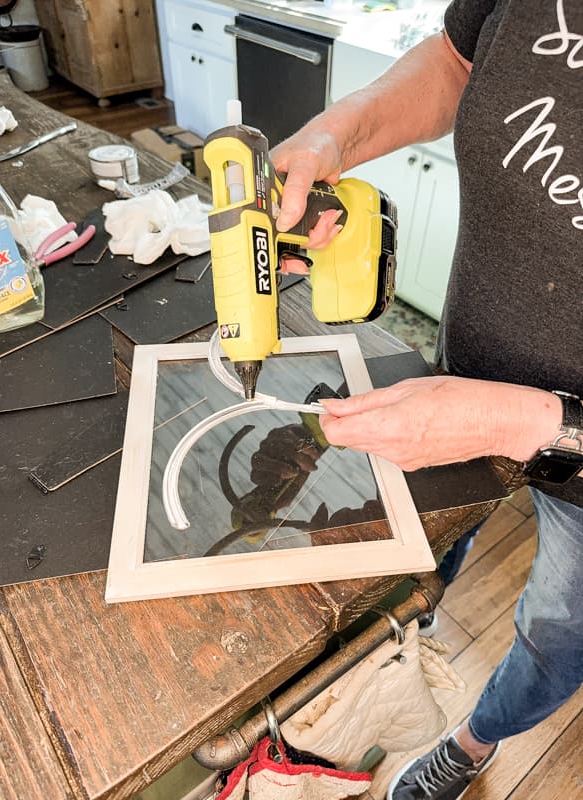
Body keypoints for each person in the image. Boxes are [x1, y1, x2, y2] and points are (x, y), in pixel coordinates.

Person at [269, 2, 583, 798]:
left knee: (558, 634)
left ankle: (474, 744)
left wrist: (512, 418)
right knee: (419, 562)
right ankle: (402, 657)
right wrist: (335, 137)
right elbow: (455, 63)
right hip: (459, 377)